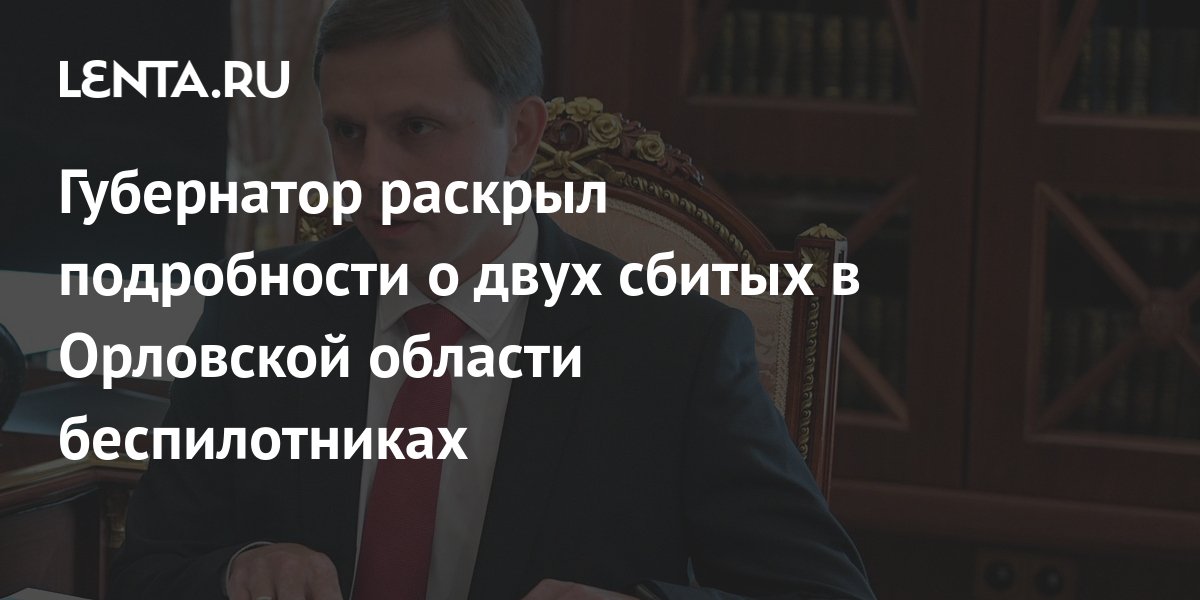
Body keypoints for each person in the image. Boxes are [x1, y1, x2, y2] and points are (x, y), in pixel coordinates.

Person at [109, 1, 876, 599]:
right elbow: (146, 571)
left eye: (416, 128)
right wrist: (238, 569)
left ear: (521, 135)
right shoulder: (258, 312)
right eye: (347, 132)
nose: (371, 175)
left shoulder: (673, 349)